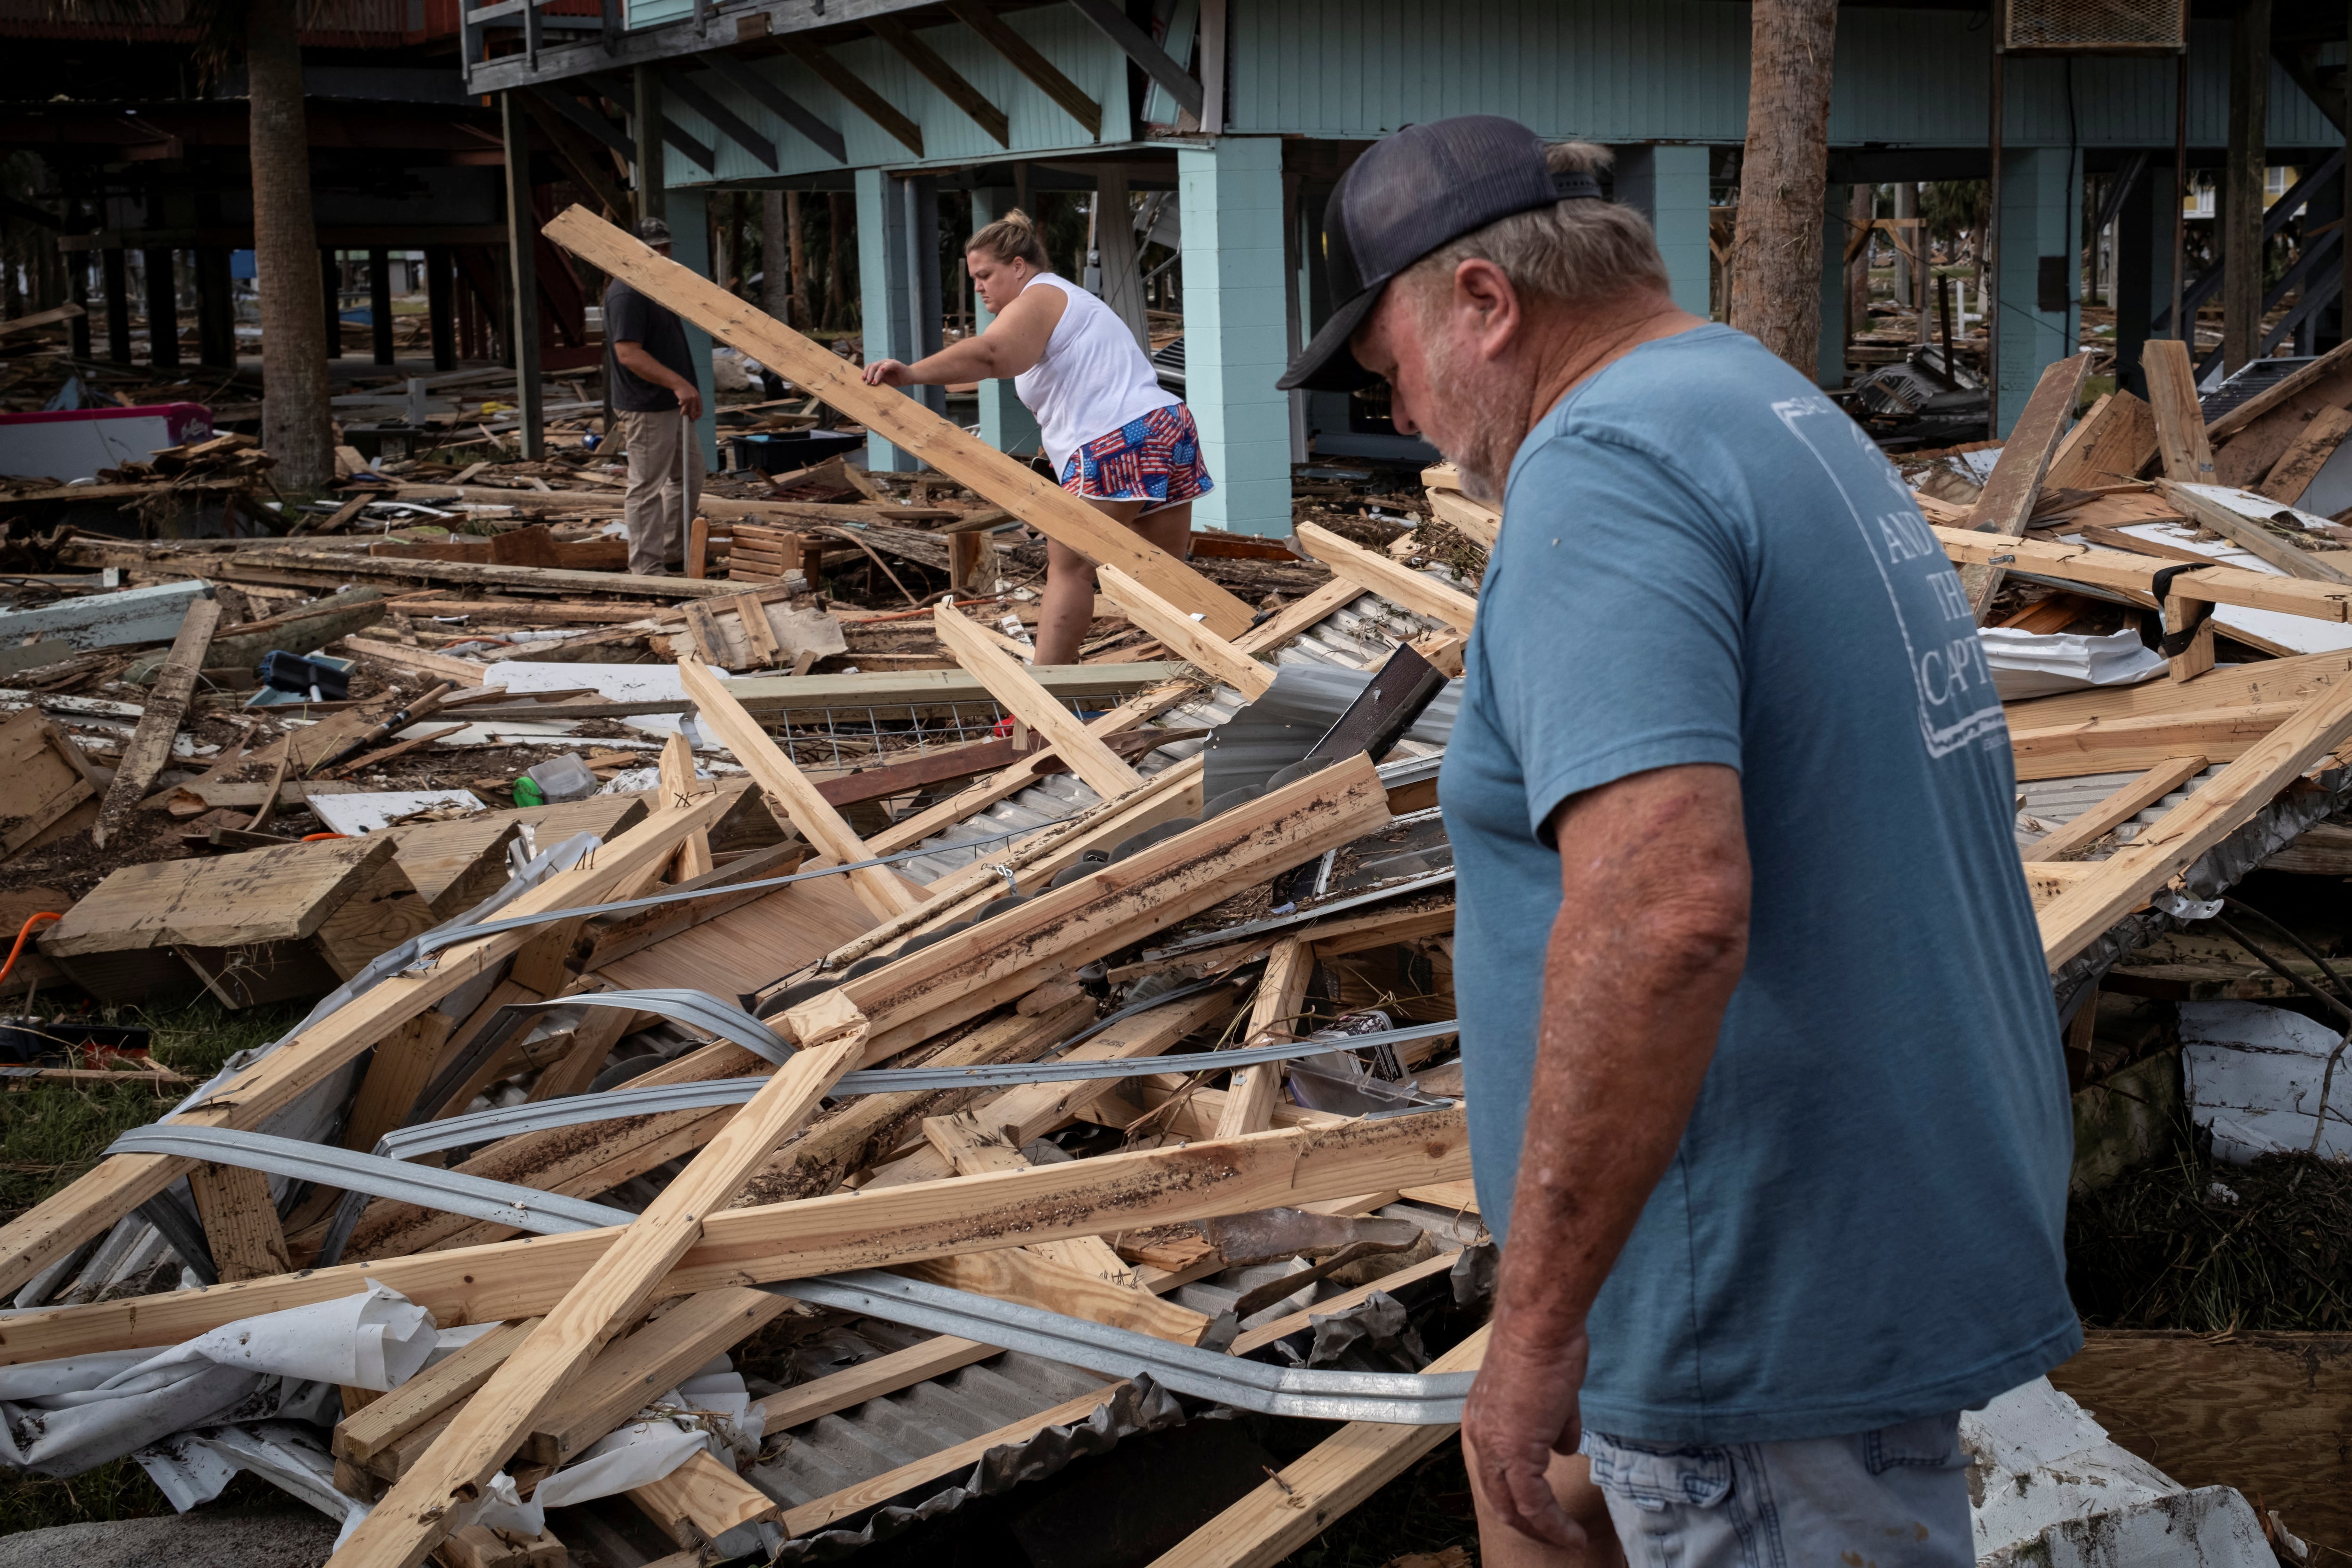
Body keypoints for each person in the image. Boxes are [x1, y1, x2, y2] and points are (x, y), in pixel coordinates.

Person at [1279, 116, 2078, 1568]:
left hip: (1751, 1290)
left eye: (1377, 355)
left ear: (1482, 302)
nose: (1382, 403)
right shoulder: (1754, 404)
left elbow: (1664, 916)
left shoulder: (1602, 471)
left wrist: (1532, 1328)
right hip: (1820, 1243)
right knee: (1532, 1502)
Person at [861, 208, 1211, 666]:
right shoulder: (1071, 305)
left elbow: (990, 356)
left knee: (1071, 569)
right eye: (974, 278)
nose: (978, 287)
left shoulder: (1040, 295)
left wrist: (911, 373)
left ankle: (1048, 699)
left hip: (1120, 438)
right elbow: (1074, 393)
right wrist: (1052, 466)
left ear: (1019, 267)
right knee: (1164, 575)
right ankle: (1195, 683)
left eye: (985, 274)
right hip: (1165, 427)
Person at [606, 216, 706, 578]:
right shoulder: (628, 293)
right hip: (647, 404)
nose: (662, 254)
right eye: (654, 248)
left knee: (691, 476)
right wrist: (679, 384)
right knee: (647, 487)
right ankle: (647, 568)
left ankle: (673, 552)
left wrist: (682, 387)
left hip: (669, 403)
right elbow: (629, 353)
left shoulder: (655, 286)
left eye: (665, 247)